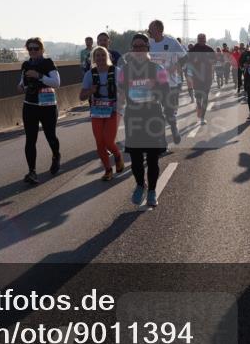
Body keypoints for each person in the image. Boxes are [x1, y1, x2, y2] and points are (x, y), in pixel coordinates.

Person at [118, 33, 171, 208]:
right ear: (131, 50)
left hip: (153, 115)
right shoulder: (125, 70)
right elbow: (120, 92)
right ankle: (141, 184)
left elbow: (166, 91)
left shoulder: (158, 69)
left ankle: (152, 191)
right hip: (133, 116)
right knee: (135, 158)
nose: (138, 49)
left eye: (141, 46)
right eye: (135, 47)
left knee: (153, 158)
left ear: (147, 48)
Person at [18, 37, 62, 185]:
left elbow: (56, 83)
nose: (33, 51)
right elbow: (22, 82)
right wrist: (21, 86)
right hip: (30, 105)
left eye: (36, 48)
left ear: (42, 49)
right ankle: (32, 172)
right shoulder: (25, 65)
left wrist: (40, 76)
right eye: (30, 48)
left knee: (51, 136)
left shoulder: (48, 63)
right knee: (30, 139)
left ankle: (56, 156)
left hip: (47, 105)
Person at [80, 45, 124, 180]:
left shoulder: (117, 71)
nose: (100, 58)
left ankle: (117, 155)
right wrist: (91, 91)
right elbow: (81, 96)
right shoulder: (89, 74)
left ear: (108, 57)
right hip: (98, 110)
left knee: (108, 140)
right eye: (97, 56)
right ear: (93, 59)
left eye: (103, 55)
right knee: (99, 141)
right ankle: (108, 170)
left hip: (114, 108)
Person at [147, 20, 187, 144]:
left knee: (169, 112)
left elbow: (185, 57)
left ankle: (174, 128)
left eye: (151, 29)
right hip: (153, 85)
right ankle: (163, 141)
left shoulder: (171, 42)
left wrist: (174, 67)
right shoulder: (148, 43)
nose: (148, 31)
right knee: (156, 114)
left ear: (159, 30)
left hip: (170, 83)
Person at [188, 33, 216, 124]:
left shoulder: (209, 49)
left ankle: (202, 118)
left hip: (207, 77)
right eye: (200, 39)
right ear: (197, 39)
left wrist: (209, 61)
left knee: (205, 97)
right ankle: (199, 108)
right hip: (196, 77)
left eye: (203, 39)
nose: (201, 41)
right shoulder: (193, 50)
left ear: (205, 39)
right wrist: (194, 62)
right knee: (198, 97)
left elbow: (215, 60)